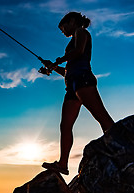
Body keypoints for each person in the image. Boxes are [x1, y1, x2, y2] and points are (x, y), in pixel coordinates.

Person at [42, 12, 114, 175]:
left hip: (83, 80)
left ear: (72, 21)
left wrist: (59, 60)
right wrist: (53, 67)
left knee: (101, 116)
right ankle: (63, 164)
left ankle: (121, 146)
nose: (63, 32)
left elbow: (79, 51)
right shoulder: (73, 38)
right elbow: (68, 70)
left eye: (63, 27)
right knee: (65, 126)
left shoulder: (81, 32)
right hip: (72, 85)